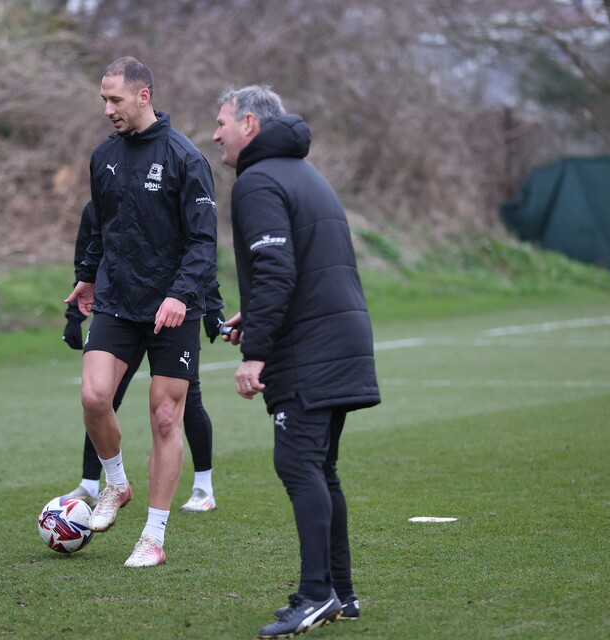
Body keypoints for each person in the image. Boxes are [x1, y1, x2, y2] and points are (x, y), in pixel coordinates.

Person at [212, 85, 380, 637]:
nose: (215, 134)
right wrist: (253, 317)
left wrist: (254, 354)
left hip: (312, 348)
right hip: (337, 336)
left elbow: (277, 272)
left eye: (222, 123)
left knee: (298, 465)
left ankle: (314, 595)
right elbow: (293, 271)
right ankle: (341, 594)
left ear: (250, 126)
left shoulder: (258, 180)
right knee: (320, 468)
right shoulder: (304, 173)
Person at [64, 57, 219, 568]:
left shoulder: (185, 157)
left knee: (164, 416)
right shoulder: (103, 156)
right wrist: (87, 275)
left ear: (143, 95)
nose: (108, 109)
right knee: (93, 396)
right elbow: (99, 226)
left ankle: (153, 536)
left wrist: (180, 294)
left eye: (116, 100)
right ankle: (116, 484)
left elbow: (202, 240)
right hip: (116, 299)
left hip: (173, 308)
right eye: (103, 100)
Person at [63, 201, 224, 514]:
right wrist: (73, 315)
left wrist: (212, 307)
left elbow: (201, 251)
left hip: (172, 312)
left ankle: (203, 487)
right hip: (119, 312)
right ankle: (92, 483)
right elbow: (87, 257)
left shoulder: (173, 190)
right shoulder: (97, 204)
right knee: (100, 400)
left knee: (182, 404)